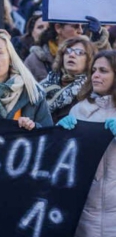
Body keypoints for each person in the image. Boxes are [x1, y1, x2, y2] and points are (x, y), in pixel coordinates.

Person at [56, 50, 116, 237]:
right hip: (85, 213)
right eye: (94, 70)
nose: (96, 75)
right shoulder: (78, 110)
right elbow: (63, 162)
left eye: (104, 71)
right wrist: (58, 136)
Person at [25, 17, 110, 81]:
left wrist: (97, 40)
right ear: (58, 28)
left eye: (82, 26)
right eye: (76, 26)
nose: (80, 31)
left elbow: (108, 68)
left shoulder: (88, 52)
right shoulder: (35, 59)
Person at [40, 36, 96, 123]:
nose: (72, 55)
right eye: (67, 51)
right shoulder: (45, 83)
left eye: (79, 52)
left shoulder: (91, 90)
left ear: (89, 60)